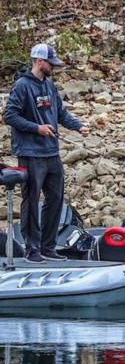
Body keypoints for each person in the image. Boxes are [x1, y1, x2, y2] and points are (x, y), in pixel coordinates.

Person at [3, 43, 90, 263]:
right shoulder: (22, 86)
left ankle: (48, 246)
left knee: (56, 198)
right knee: (31, 200)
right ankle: (32, 250)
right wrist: (37, 128)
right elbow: (9, 116)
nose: (53, 66)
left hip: (51, 152)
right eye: (50, 63)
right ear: (38, 61)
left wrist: (78, 126)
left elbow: (60, 113)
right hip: (30, 153)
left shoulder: (49, 85)